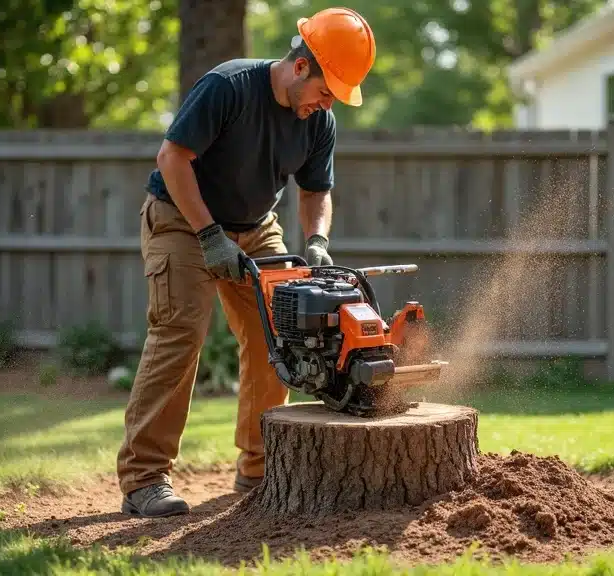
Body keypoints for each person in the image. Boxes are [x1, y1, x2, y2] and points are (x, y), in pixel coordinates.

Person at [116, 7, 377, 518]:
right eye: (327, 90)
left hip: (257, 227)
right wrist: (210, 235)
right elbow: (172, 158)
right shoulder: (229, 86)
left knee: (277, 330)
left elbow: (316, 192)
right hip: (181, 219)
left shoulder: (319, 119)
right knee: (181, 332)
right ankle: (144, 479)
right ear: (302, 66)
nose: (328, 104)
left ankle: (259, 466)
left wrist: (318, 240)